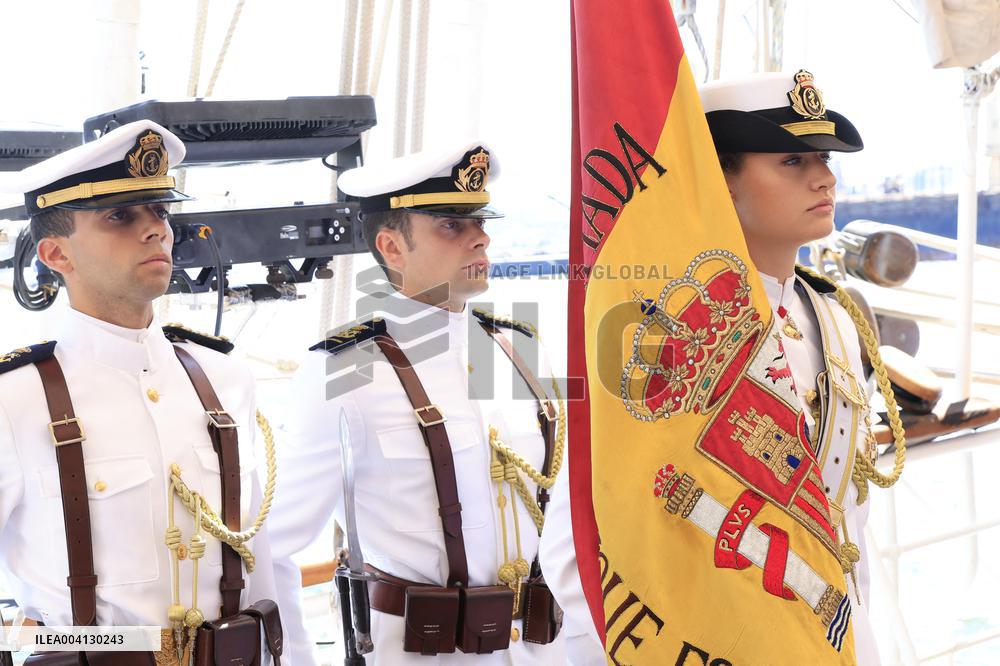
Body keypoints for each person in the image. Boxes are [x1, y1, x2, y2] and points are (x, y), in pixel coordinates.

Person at [269, 143, 568, 665]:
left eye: (478, 220)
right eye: (451, 224)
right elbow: (275, 547)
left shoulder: (514, 349)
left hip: (546, 650)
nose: (481, 236)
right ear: (392, 246)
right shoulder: (344, 369)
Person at [0, 120, 282, 665]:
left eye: (160, 211)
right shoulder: (14, 401)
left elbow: (256, 558)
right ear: (56, 255)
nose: (155, 229)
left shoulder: (224, 380)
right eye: (120, 216)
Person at [698, 69, 898, 665]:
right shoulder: (682, 335)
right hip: (725, 634)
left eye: (824, 158)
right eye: (792, 160)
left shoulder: (834, 316)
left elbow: (849, 512)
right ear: (721, 180)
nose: (826, 176)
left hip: (838, 624)